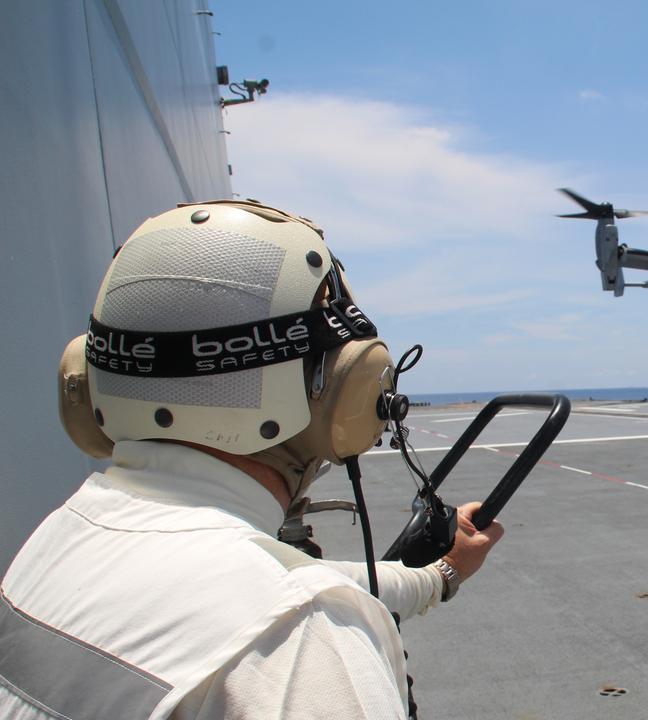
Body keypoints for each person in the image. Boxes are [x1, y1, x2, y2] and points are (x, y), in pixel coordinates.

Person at [0, 200, 503, 719]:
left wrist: (442, 574)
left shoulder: (61, 539)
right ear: (348, 388)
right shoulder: (301, 640)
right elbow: (282, 602)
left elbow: (271, 585)